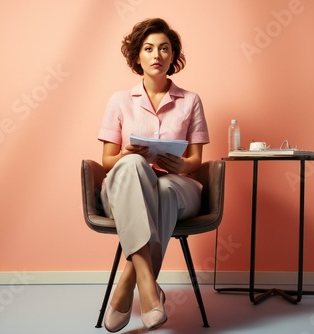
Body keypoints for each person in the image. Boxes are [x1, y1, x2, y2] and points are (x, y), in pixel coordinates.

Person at [98, 18, 209, 332]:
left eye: (164, 48)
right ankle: (148, 283)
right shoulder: (119, 100)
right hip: (125, 186)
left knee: (162, 191)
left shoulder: (191, 101)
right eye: (148, 48)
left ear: (173, 56)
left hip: (176, 186)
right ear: (137, 57)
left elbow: (197, 160)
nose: (156, 54)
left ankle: (127, 284)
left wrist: (182, 165)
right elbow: (107, 161)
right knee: (133, 167)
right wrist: (125, 156)